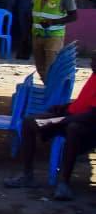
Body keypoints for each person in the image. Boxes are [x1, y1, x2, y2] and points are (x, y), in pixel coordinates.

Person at [5, 70, 96, 201]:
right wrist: (64, 107)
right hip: (72, 117)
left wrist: (59, 120)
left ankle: (64, 183)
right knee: (29, 122)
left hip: (88, 126)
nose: (92, 63)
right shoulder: (94, 75)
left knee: (73, 129)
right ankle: (27, 176)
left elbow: (91, 115)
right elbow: (84, 103)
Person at [31, 0, 77, 81]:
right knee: (40, 68)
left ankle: (51, 91)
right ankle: (47, 88)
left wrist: (53, 22)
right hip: (37, 34)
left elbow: (74, 16)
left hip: (54, 36)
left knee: (51, 68)